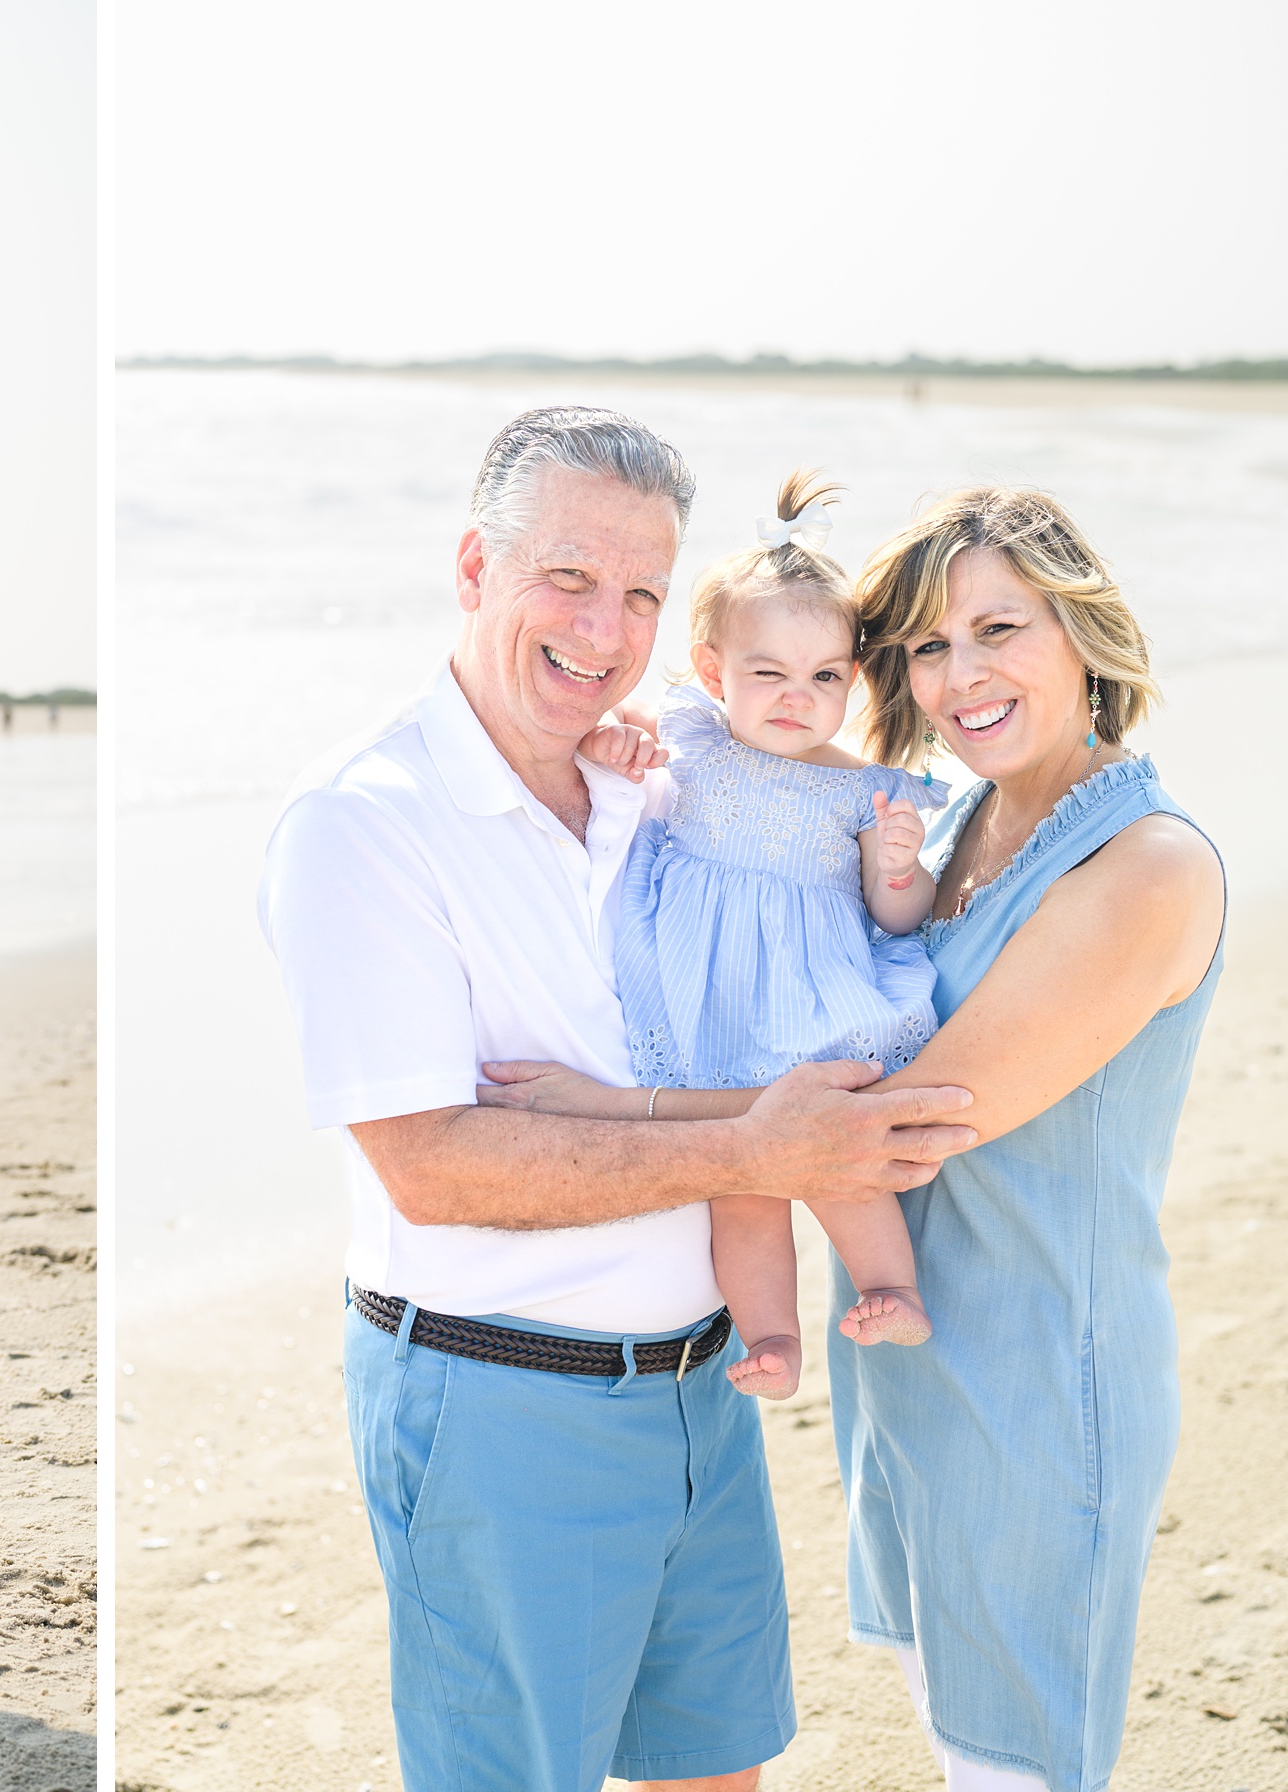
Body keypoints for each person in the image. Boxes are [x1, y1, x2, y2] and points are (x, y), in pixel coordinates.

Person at [258, 406, 979, 1792]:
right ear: (475, 566)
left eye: (643, 591)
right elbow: (436, 1166)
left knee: (718, 1773)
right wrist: (755, 1141)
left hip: (703, 1390)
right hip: (502, 1401)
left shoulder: (650, 785)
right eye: (570, 577)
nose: (607, 626)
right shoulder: (364, 823)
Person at [485, 487, 1223, 1790]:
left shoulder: (1145, 867)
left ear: (1084, 629)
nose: (962, 676)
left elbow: (896, 1129)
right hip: (908, 1363)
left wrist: (607, 1112)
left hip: (1042, 1374)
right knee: (949, 1722)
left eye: (1001, 629)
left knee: (1019, 1758)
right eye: (930, 648)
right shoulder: (952, 821)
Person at [581, 470, 952, 1403]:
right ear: (714, 673)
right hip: (705, 990)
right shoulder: (694, 735)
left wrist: (901, 863)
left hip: (806, 993)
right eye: (768, 674)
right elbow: (605, 734)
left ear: (853, 680)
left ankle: (889, 1287)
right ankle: (774, 1338)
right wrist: (609, 746)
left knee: (839, 1166)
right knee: (742, 1180)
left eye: (824, 677)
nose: (797, 698)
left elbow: (897, 917)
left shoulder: (866, 787)